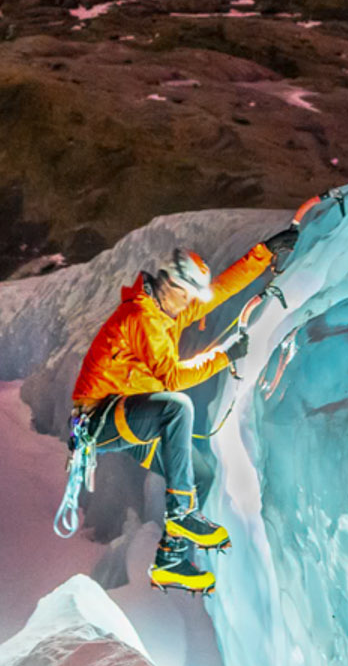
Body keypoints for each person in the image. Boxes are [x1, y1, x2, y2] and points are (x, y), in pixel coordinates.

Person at [69, 210, 307, 593]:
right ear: (174, 286)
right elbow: (172, 378)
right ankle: (181, 514)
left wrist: (263, 253)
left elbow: (221, 292)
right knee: (176, 406)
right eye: (189, 295)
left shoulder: (166, 312)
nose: (191, 304)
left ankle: (171, 560)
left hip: (130, 416)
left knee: (201, 474)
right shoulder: (143, 317)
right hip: (99, 418)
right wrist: (224, 356)